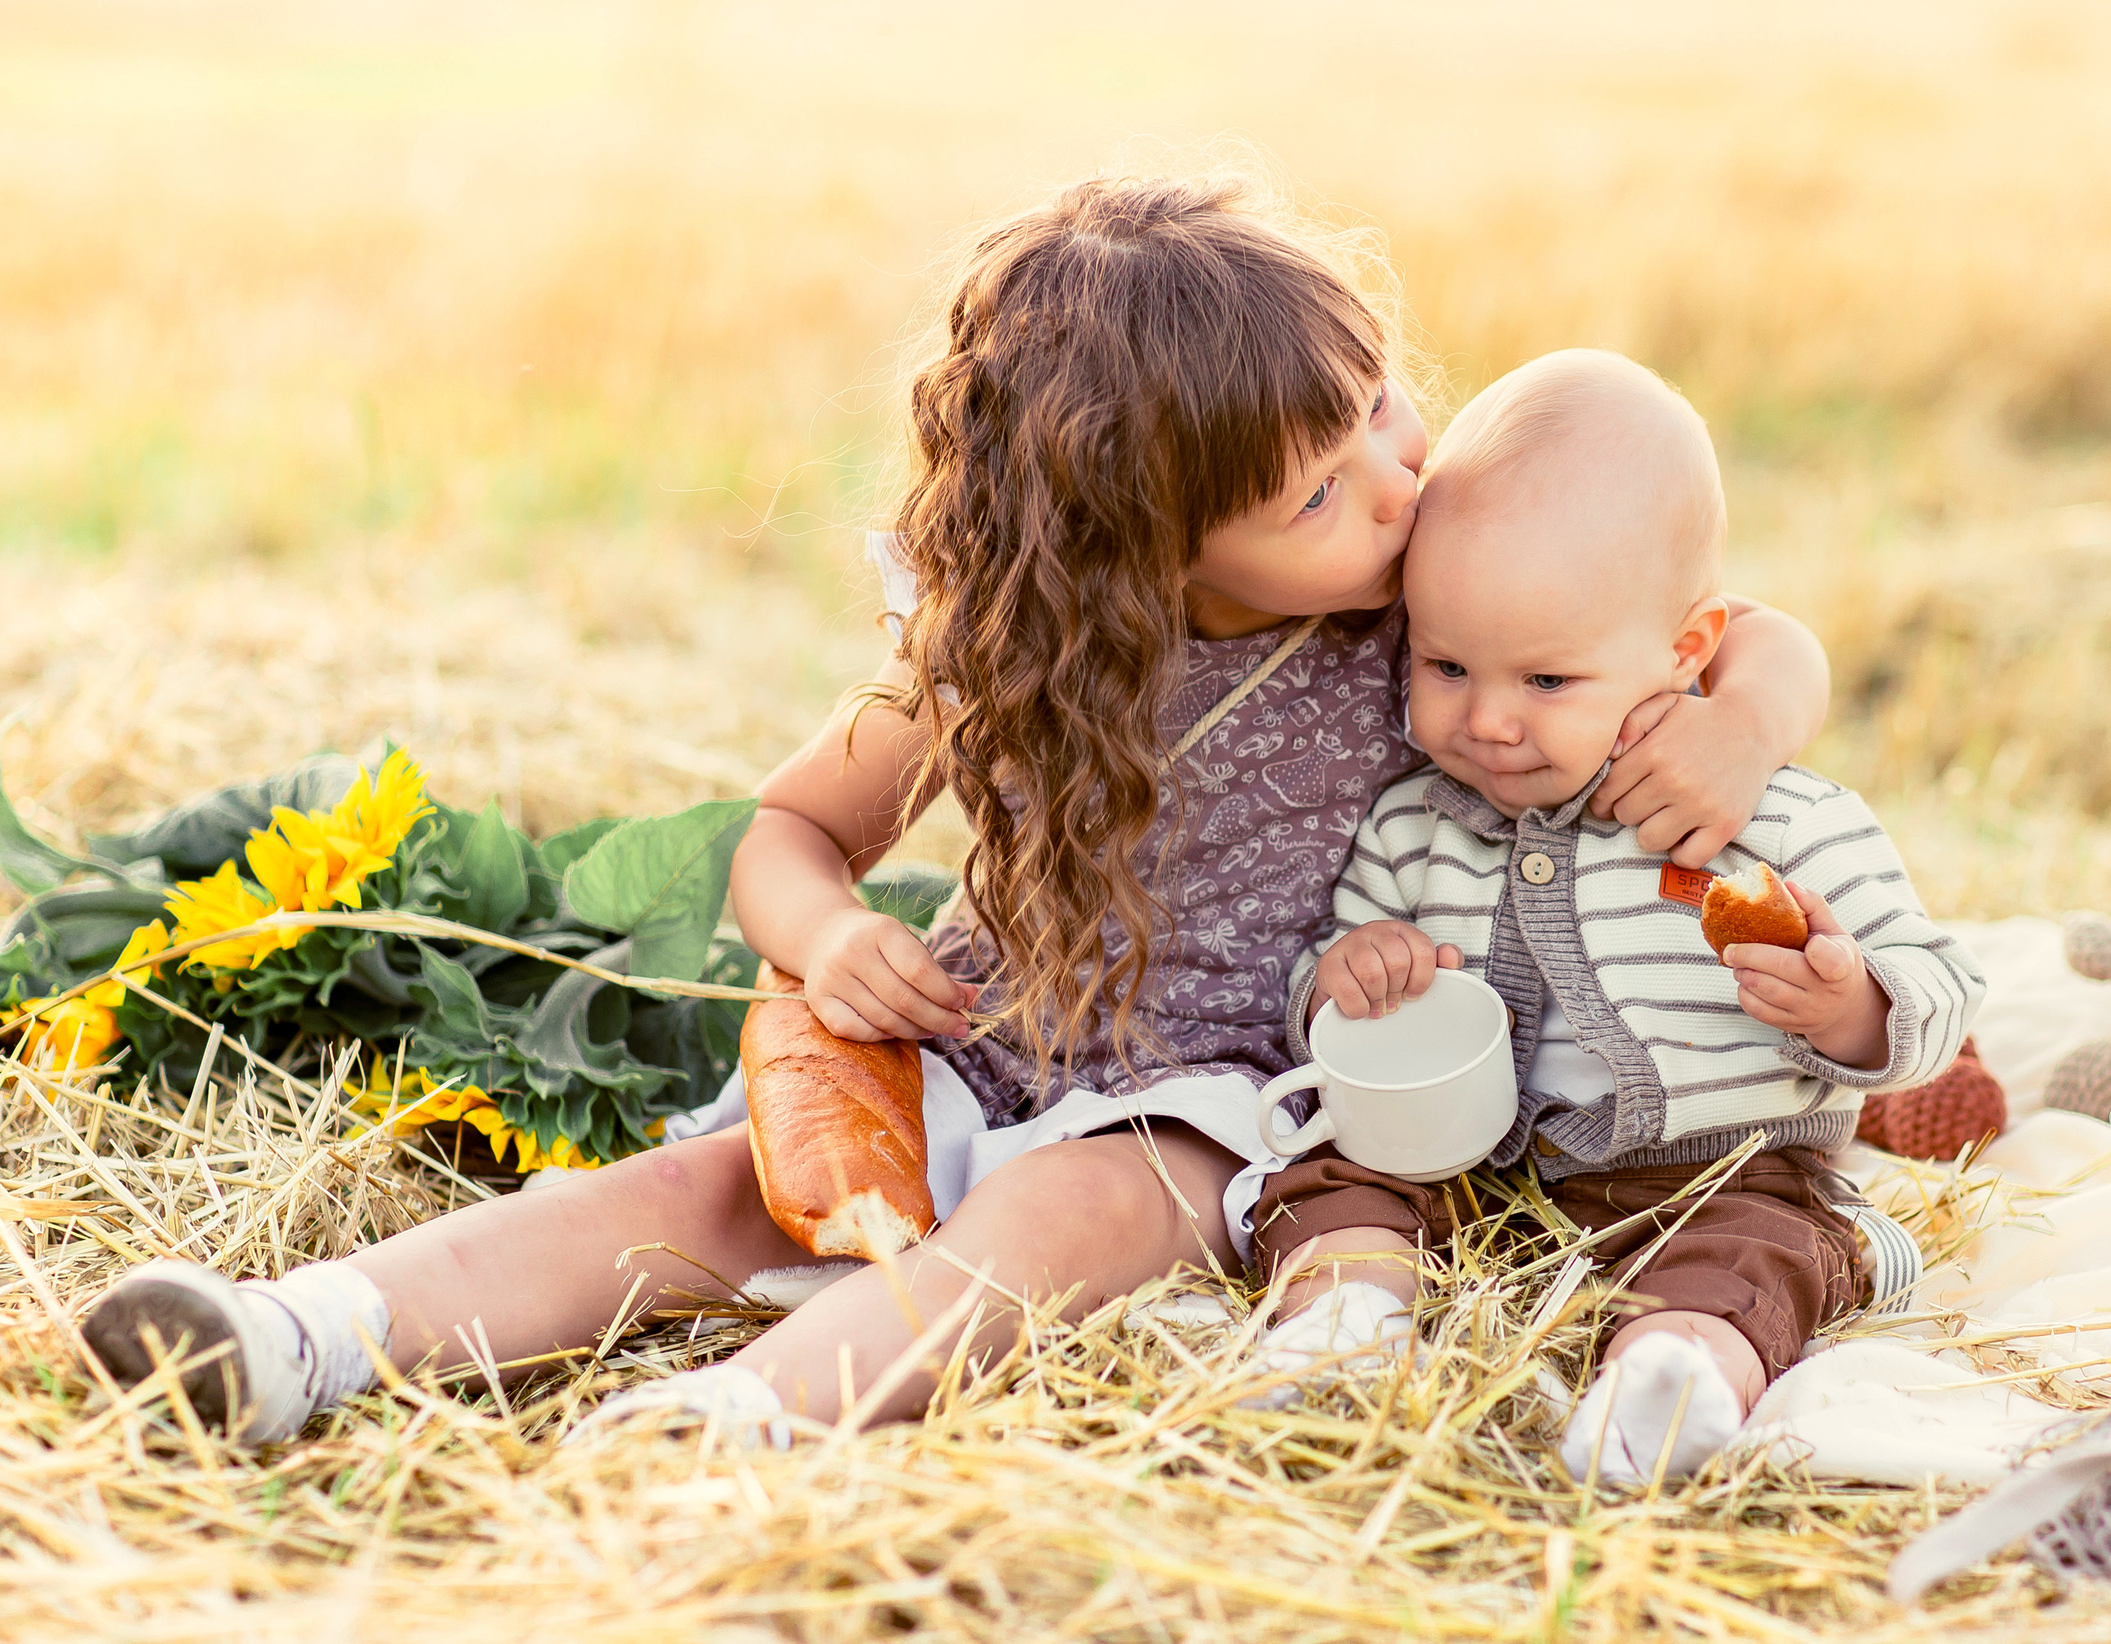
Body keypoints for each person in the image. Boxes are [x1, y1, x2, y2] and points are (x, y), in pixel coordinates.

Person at [79, 176, 1835, 1446]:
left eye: (1381, 408)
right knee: (709, 1190)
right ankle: (305, 1332)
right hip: (989, 1038)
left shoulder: (1425, 598)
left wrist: (1744, 722)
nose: (1399, 475)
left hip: (1236, 1102)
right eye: (1320, 487)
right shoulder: (1017, 650)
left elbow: (1731, 627)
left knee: (1053, 1218)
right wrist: (834, 934)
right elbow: (789, 834)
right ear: (1146, 542)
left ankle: (744, 1419)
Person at [1246, 350, 1984, 1485]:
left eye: (1546, 682)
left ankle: (1673, 1381)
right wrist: (1350, 973)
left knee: (1760, 1253)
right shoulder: (1413, 823)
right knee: (1330, 1180)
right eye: (1445, 665)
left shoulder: (1779, 818)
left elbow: (1939, 989)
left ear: (1685, 653)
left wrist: (1849, 1006)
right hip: (1467, 1175)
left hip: (1711, 1173)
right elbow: (1322, 986)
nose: (1489, 722)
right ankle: (1346, 1327)